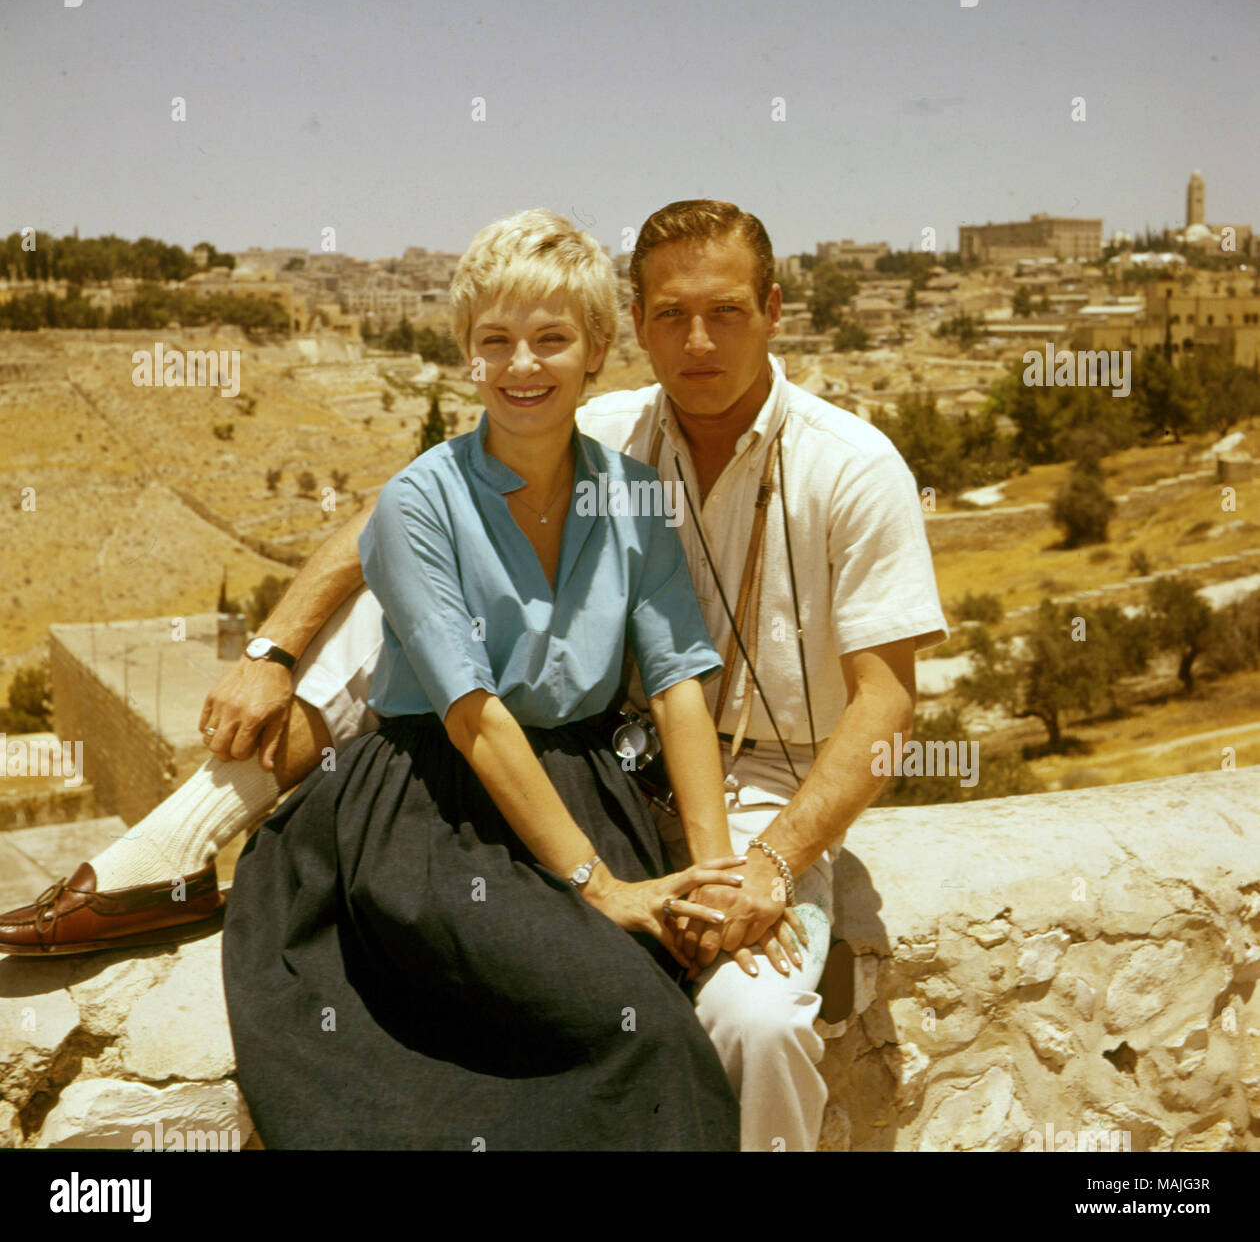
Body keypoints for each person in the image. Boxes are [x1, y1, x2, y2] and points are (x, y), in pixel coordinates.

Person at [1, 199, 947, 1152]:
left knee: (754, 1021)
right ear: (638, 328)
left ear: (774, 309)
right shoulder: (602, 420)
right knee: (411, 578)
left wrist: (754, 866)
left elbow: (873, 706)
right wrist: (271, 649)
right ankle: (185, 834)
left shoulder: (841, 470)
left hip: (740, 796)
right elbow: (397, 520)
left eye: (727, 312)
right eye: (671, 315)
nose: (697, 340)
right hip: (539, 784)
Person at [226, 210, 745, 1149]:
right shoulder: (419, 502)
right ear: (466, 354)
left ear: (596, 350)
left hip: (590, 793)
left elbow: (678, 685)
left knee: (663, 1009)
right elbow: (473, 716)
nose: (522, 367)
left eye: (551, 339)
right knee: (644, 1034)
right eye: (494, 341)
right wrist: (602, 888)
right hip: (436, 816)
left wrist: (710, 873)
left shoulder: (632, 496)